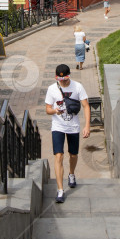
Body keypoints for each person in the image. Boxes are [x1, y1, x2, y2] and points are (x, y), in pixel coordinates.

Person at [45, 64, 89, 203]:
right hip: (57, 126)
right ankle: (60, 190)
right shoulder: (52, 89)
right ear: (56, 77)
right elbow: (47, 108)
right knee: (58, 156)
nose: (63, 82)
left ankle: (71, 174)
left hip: (73, 127)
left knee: (73, 154)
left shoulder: (78, 87)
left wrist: (87, 126)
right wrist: (54, 111)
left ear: (69, 76)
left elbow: (86, 106)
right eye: (60, 79)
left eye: (65, 79)